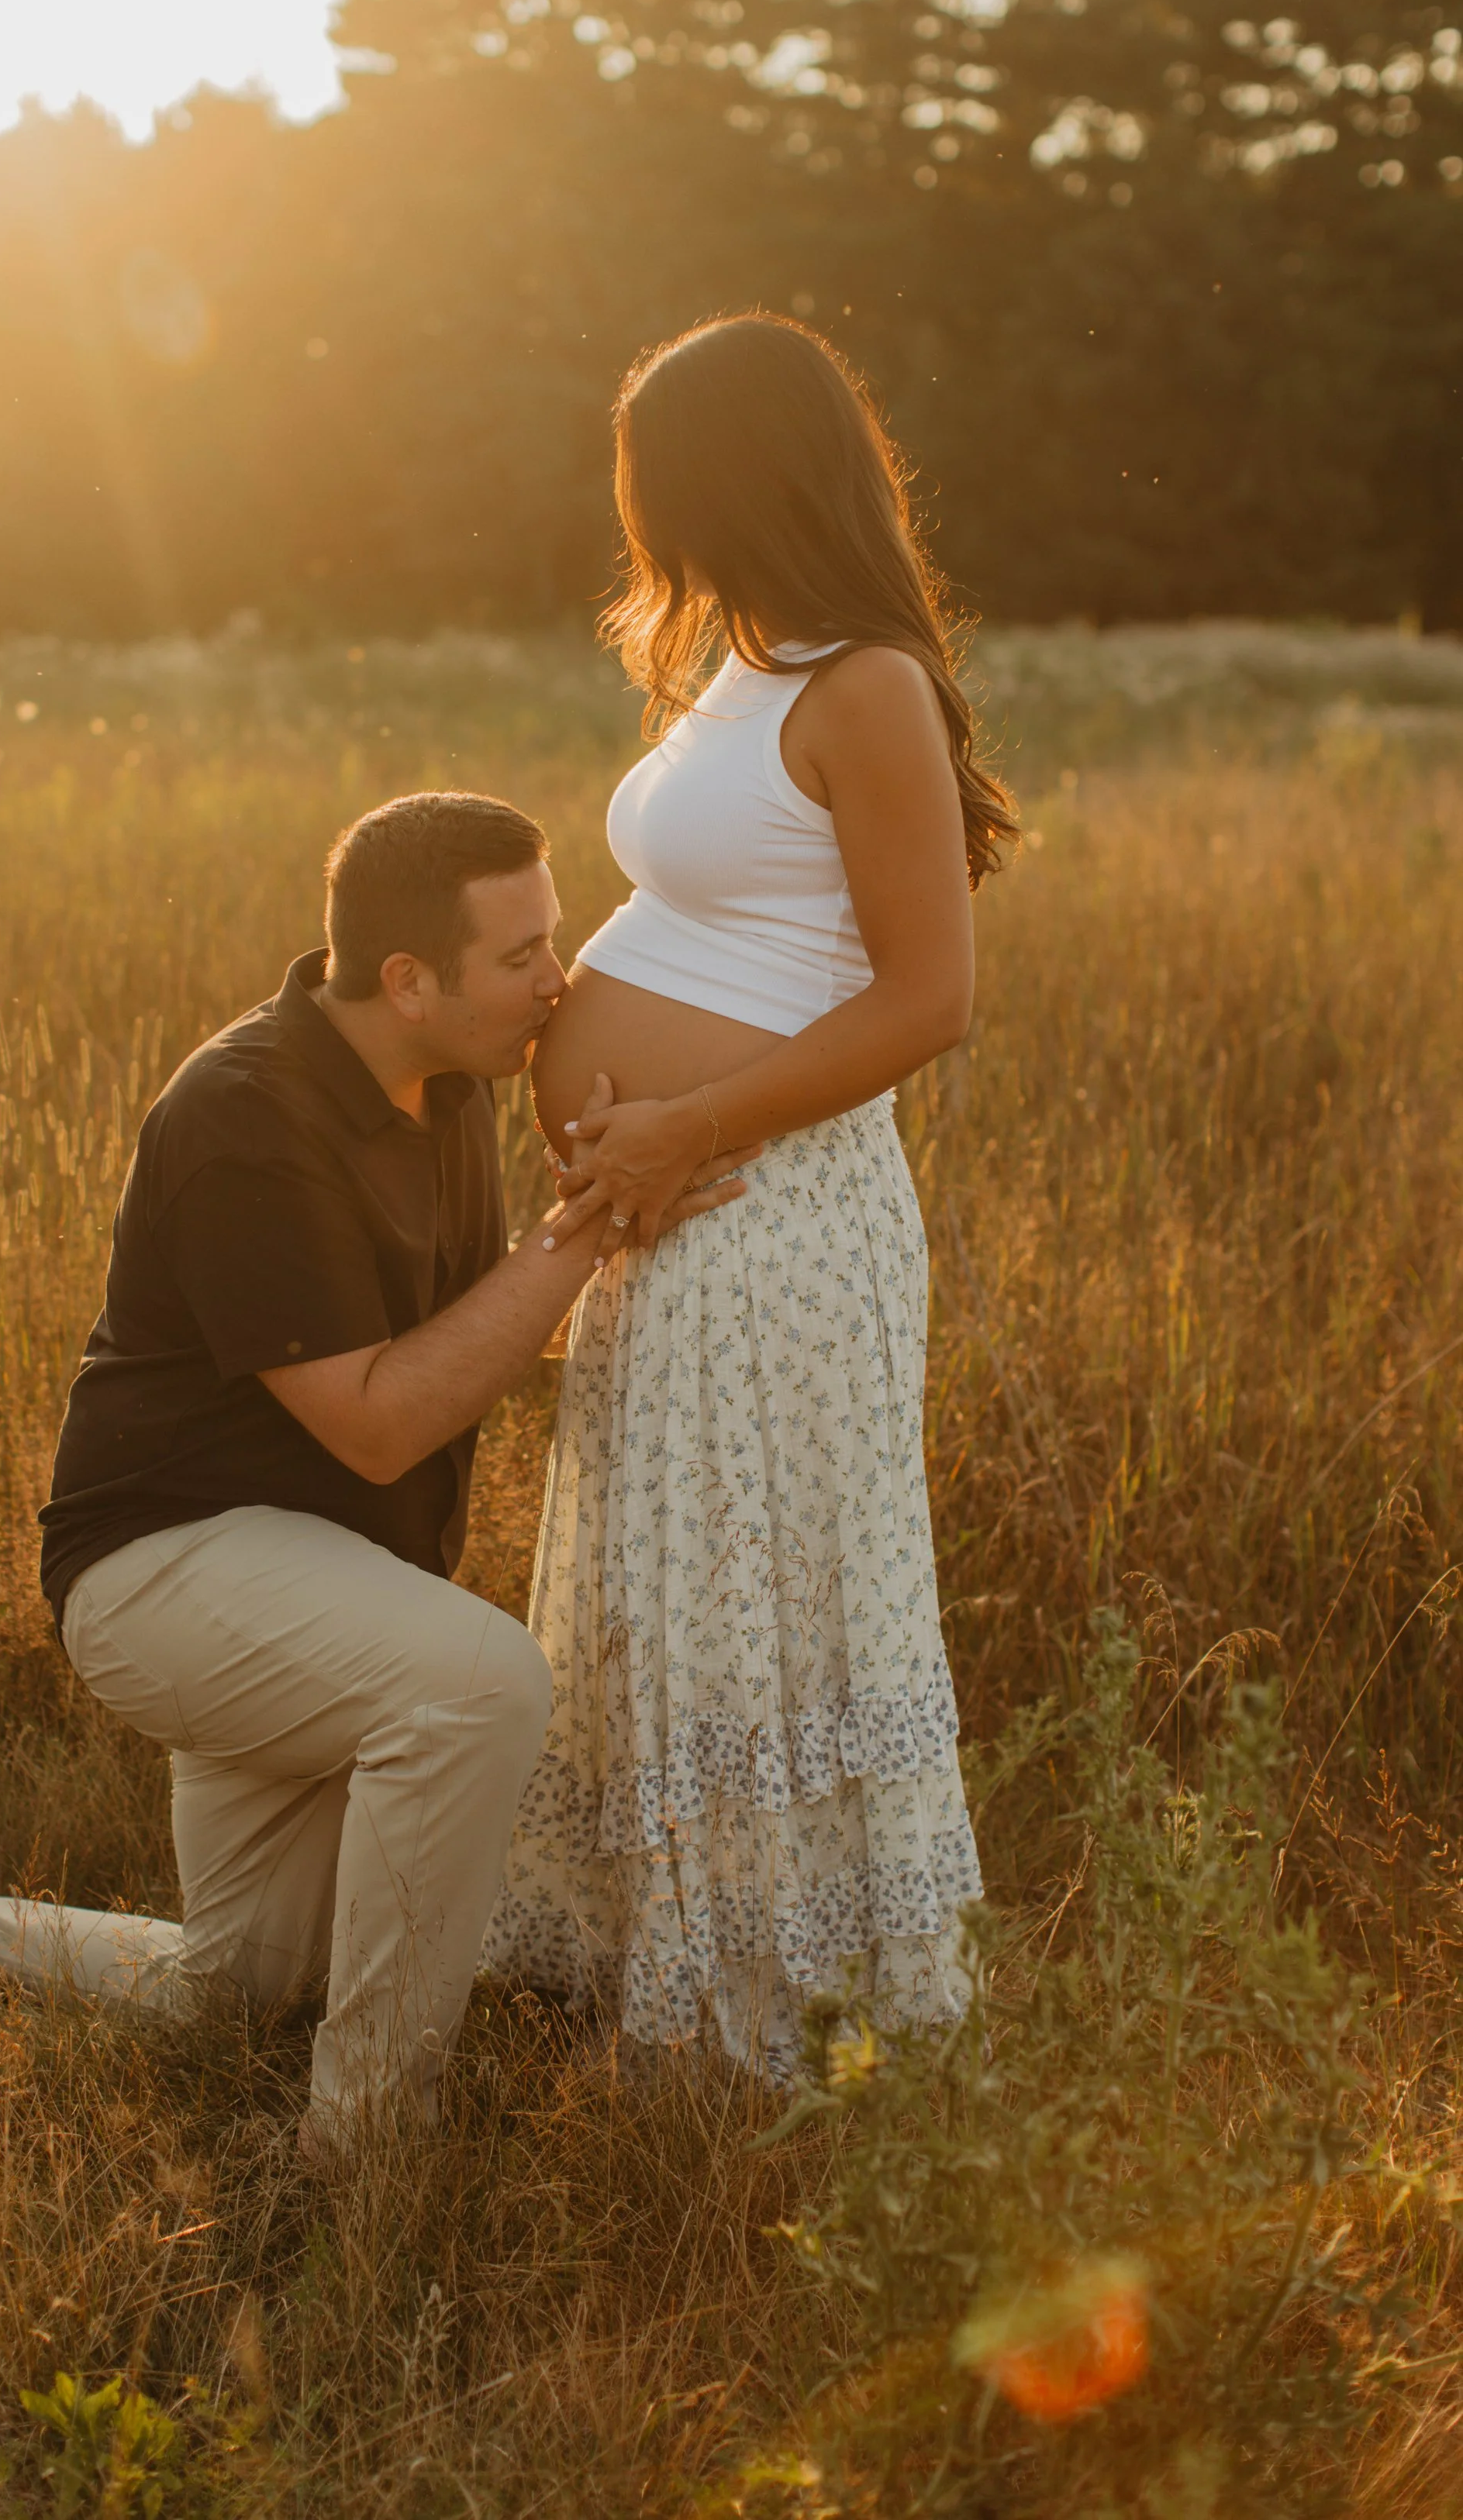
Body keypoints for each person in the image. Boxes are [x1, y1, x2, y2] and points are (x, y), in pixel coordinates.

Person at [0, 792, 740, 2156]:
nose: (560, 977)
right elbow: (375, 1422)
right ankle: (364, 2144)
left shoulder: (453, 1082)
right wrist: (580, 1234)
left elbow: (469, 1333)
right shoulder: (246, 1117)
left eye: (559, 936)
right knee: (480, 1685)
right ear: (410, 982)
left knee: (236, 1990)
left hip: (320, 1582)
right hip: (165, 1570)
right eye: (524, 952)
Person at [481, 313, 1017, 2083]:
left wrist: (677, 1122)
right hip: (676, 1205)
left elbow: (926, 997)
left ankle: (777, 2026)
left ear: (728, 475)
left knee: (763, 1595)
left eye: (649, 476)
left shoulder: (864, 683)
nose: (633, 513)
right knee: (675, 1585)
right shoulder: (745, 664)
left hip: (769, 1214)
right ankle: (669, 1979)